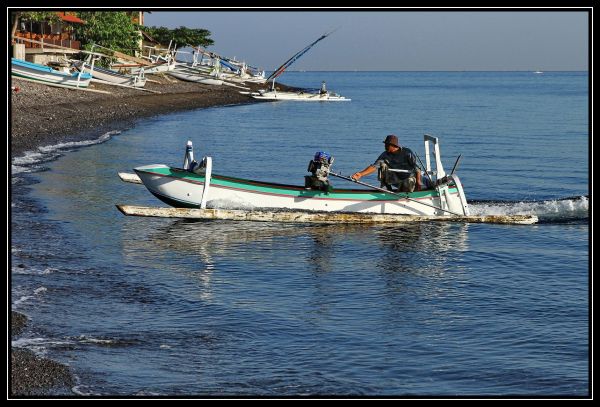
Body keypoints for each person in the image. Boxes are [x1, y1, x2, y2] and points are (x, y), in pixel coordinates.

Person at [351, 134, 421, 192]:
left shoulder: (407, 152)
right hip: (396, 178)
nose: (385, 146)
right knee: (383, 165)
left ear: (393, 146)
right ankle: (388, 190)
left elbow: (417, 167)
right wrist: (360, 174)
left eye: (387, 145)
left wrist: (418, 181)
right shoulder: (385, 155)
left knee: (408, 182)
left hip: (409, 178)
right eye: (385, 145)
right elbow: (374, 166)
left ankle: (405, 195)